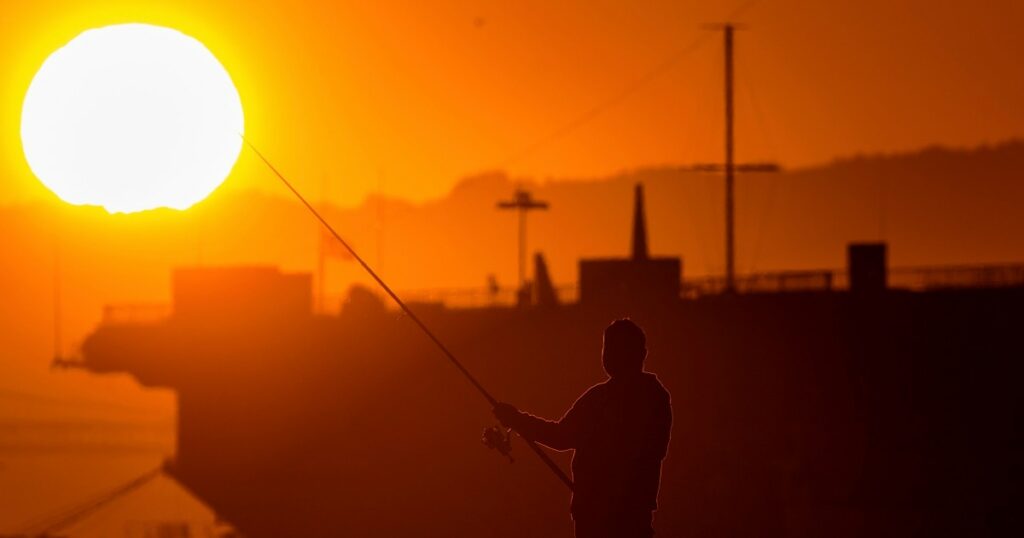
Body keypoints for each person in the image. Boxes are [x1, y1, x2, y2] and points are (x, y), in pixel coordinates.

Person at [493, 319, 672, 538]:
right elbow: (562, 437)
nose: (609, 355)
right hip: (616, 514)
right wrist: (517, 420)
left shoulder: (614, 399)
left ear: (641, 353)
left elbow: (561, 437)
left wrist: (517, 420)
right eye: (607, 347)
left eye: (617, 348)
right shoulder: (653, 397)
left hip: (609, 516)